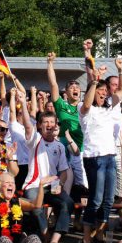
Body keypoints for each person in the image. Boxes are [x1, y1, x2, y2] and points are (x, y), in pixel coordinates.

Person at [79, 68, 122, 243]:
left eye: (105, 91)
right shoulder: (86, 110)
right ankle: (87, 240)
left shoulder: (109, 108)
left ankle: (101, 237)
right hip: (94, 157)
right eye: (100, 90)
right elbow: (87, 104)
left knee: (108, 200)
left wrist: (121, 70)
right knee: (95, 200)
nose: (104, 93)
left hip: (110, 156)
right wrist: (95, 81)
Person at [21, 111, 73, 243]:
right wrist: (23, 104)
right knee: (36, 207)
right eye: (46, 122)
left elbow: (64, 171)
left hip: (52, 186)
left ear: (56, 124)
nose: (49, 125)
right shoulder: (35, 140)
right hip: (34, 185)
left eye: (52, 122)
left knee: (67, 203)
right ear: (39, 125)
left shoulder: (60, 146)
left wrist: (59, 183)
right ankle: (46, 236)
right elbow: (27, 126)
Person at [47, 52, 86, 193]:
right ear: (66, 92)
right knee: (60, 177)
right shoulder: (61, 105)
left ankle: (79, 211)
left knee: (81, 184)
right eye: (71, 88)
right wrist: (50, 63)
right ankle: (56, 201)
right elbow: (53, 84)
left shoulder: (85, 107)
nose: (75, 89)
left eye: (77, 87)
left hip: (82, 149)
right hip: (64, 146)